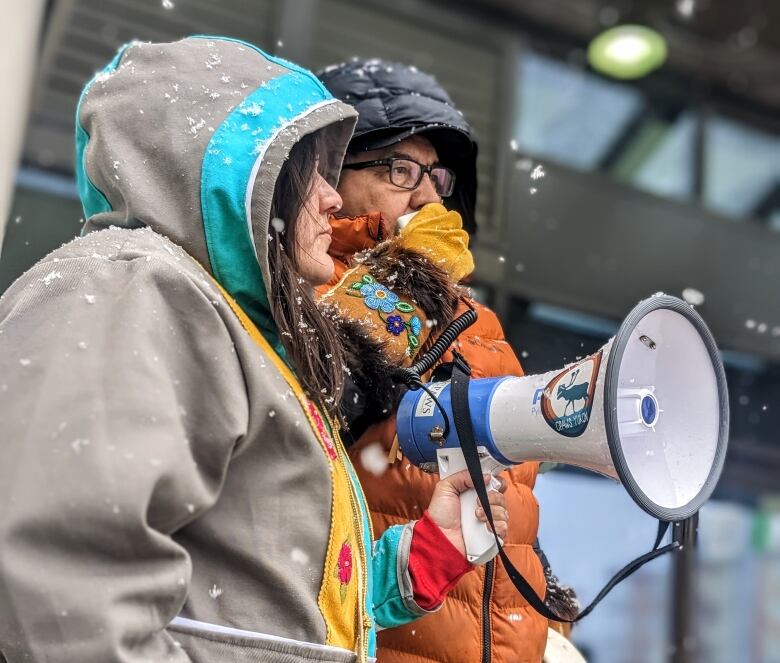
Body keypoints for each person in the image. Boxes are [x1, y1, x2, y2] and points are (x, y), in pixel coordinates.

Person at [0, 38, 511, 663]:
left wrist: (414, 565)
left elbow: (262, 595)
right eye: (314, 172)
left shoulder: (230, 328)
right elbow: (64, 588)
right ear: (247, 172)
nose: (330, 198)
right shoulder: (133, 284)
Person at [317, 60, 579, 663]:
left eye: (438, 176)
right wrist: (409, 283)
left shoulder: (479, 321)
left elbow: (504, 485)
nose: (429, 194)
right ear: (329, 171)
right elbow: (324, 402)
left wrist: (545, 615)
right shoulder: (305, 285)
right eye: (399, 168)